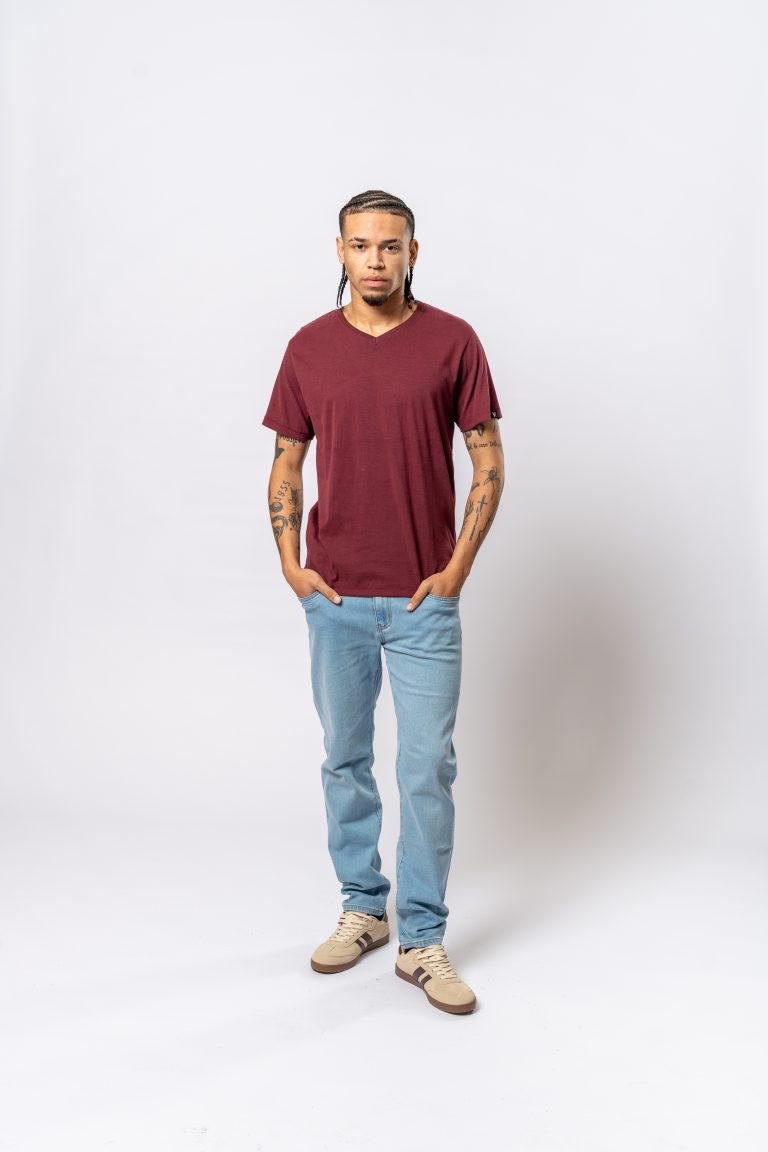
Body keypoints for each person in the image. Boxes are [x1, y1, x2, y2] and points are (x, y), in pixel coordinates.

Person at [262, 189, 504, 1015]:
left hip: (423, 601)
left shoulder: (452, 341)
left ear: (412, 253)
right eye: (361, 245)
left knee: (427, 767)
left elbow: (489, 460)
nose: (375, 259)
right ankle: (364, 908)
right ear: (340, 250)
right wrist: (291, 564)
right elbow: (287, 459)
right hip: (335, 597)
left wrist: (457, 567)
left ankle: (422, 937)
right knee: (345, 758)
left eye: (390, 246)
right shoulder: (308, 348)